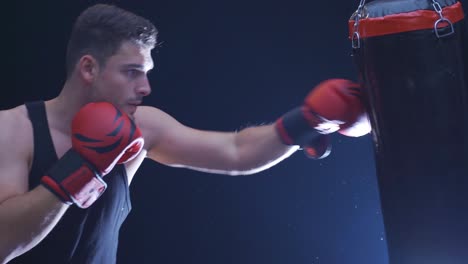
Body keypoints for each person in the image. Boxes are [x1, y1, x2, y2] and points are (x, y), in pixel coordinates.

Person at [0, 4, 370, 264]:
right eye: (132, 72)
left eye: (147, 73)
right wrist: (78, 171)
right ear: (88, 68)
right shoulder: (14, 129)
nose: (145, 87)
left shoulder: (141, 127)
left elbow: (236, 152)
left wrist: (306, 121)